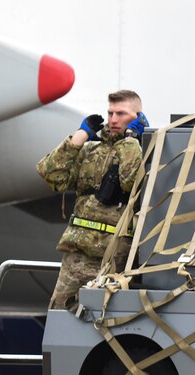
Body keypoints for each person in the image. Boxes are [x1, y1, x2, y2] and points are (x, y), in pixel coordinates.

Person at [37, 89, 148, 310]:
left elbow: (130, 181)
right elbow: (51, 174)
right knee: (61, 315)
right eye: (110, 113)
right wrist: (80, 135)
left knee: (105, 320)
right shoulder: (91, 150)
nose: (114, 119)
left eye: (121, 113)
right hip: (78, 254)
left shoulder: (144, 150)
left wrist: (131, 141)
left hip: (114, 258)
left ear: (138, 117)